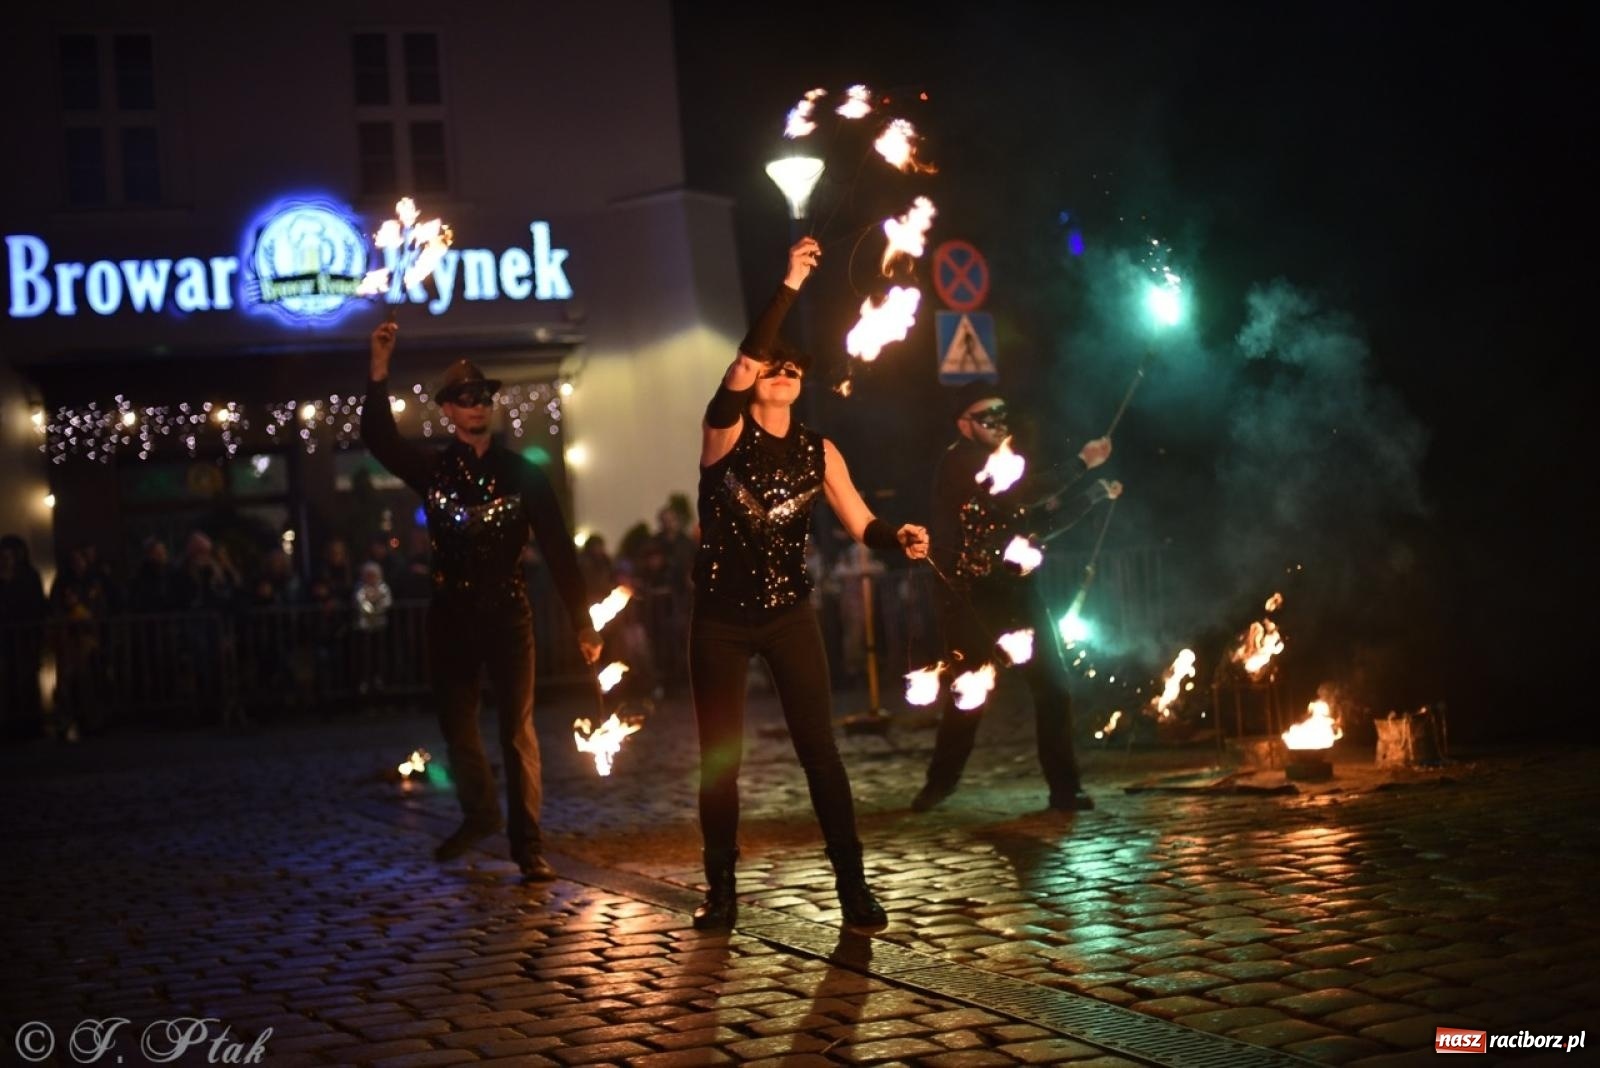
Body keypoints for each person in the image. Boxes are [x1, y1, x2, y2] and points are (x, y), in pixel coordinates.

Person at [689, 236, 928, 931]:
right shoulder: (723, 436)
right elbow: (743, 357)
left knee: (819, 752)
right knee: (720, 762)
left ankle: (853, 889)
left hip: (790, 613)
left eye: (795, 368)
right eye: (774, 365)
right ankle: (722, 893)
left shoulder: (820, 449)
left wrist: (897, 537)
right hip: (721, 620)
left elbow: (859, 521)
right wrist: (789, 280)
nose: (785, 372)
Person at [363, 320, 601, 883]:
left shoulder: (522, 474)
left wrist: (582, 623)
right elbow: (378, 439)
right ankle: (481, 812)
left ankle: (529, 846)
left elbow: (561, 553)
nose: (477, 407)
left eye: (484, 398)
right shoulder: (435, 468)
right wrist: (378, 368)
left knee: (516, 733)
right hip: (450, 615)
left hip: (506, 613)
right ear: (448, 410)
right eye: (465, 400)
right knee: (457, 727)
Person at [911, 381, 1119, 814]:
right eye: (986, 416)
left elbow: (1037, 522)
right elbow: (1026, 492)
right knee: (970, 694)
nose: (997, 423)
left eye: (1001, 414)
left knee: (1054, 690)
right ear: (963, 425)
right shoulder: (960, 465)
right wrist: (1082, 463)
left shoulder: (1005, 469)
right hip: (972, 598)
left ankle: (1065, 789)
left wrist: (1093, 495)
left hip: (1019, 595)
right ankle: (939, 784)